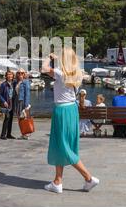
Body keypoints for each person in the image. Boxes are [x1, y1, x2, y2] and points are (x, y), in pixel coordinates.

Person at [42, 48, 99, 194]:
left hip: (62, 110)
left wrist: (49, 57)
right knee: (61, 144)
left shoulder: (61, 74)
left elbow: (44, 68)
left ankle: (88, 178)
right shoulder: (77, 74)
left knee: (64, 146)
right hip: (72, 110)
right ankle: (57, 181)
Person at [13, 68, 32, 140]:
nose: (20, 74)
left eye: (22, 73)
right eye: (19, 73)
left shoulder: (26, 82)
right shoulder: (16, 82)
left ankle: (26, 134)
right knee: (19, 118)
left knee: (24, 118)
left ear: (24, 74)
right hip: (17, 102)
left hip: (23, 102)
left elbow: (27, 94)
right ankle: (23, 133)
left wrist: (26, 105)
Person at [0, 71, 16, 140]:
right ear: (6, 76)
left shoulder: (13, 83)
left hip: (12, 102)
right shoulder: (3, 84)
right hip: (7, 102)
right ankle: (3, 135)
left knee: (11, 118)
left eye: (11, 74)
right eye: (8, 74)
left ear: (13, 76)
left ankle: (9, 134)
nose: (10, 76)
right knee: (7, 118)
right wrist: (4, 101)